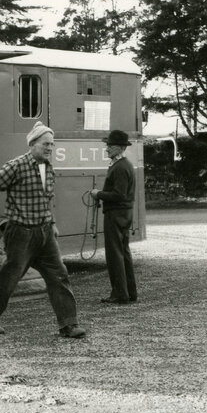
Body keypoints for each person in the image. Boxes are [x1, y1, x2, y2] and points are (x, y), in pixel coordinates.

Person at [0, 121, 83, 338]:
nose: (50, 148)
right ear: (32, 144)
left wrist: (52, 224)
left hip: (44, 233)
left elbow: (47, 200)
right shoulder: (15, 166)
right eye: (45, 144)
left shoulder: (49, 168)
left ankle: (68, 324)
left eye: (52, 145)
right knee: (10, 277)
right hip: (20, 233)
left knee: (59, 276)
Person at [90, 129, 138, 305]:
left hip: (116, 214)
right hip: (123, 214)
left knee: (114, 254)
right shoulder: (124, 165)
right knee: (123, 253)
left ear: (119, 148)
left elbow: (119, 195)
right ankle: (129, 292)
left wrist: (98, 194)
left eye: (110, 146)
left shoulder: (119, 167)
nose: (107, 148)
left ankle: (119, 294)